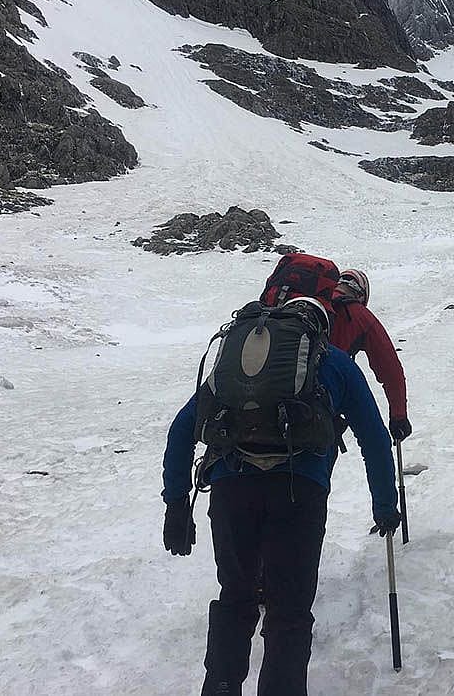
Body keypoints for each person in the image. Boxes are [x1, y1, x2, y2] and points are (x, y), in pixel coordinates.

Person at [161, 266, 401, 696]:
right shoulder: (337, 364)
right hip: (301, 494)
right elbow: (375, 440)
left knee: (236, 596)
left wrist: (176, 504)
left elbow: (183, 428)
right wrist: (384, 505)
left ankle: (220, 687)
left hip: (232, 489)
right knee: (289, 614)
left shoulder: (240, 360)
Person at [330, 269, 413, 442]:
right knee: (377, 443)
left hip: (269, 391)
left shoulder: (306, 302)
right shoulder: (358, 314)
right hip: (324, 400)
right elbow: (390, 370)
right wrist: (398, 417)